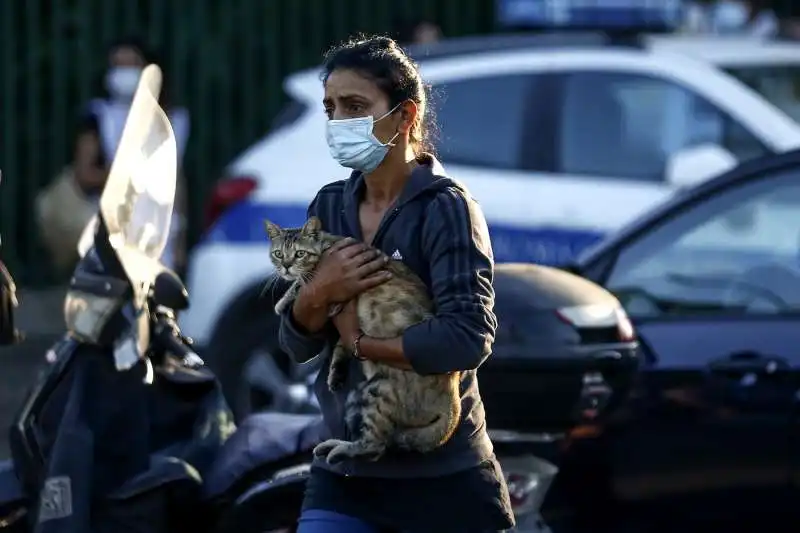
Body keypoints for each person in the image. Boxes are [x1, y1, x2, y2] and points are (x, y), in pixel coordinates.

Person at [278, 36, 514, 533]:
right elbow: (297, 344)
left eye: (356, 106)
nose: (339, 121)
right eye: (331, 108)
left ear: (405, 116)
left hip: (444, 477)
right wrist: (319, 293)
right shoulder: (328, 207)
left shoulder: (445, 208)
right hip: (347, 471)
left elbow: (467, 337)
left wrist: (361, 343)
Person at [36, 37, 189, 276]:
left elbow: (177, 185)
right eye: (118, 65)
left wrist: (179, 242)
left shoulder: (173, 119)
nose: (124, 73)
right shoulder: (99, 117)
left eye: (132, 65)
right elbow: (84, 175)